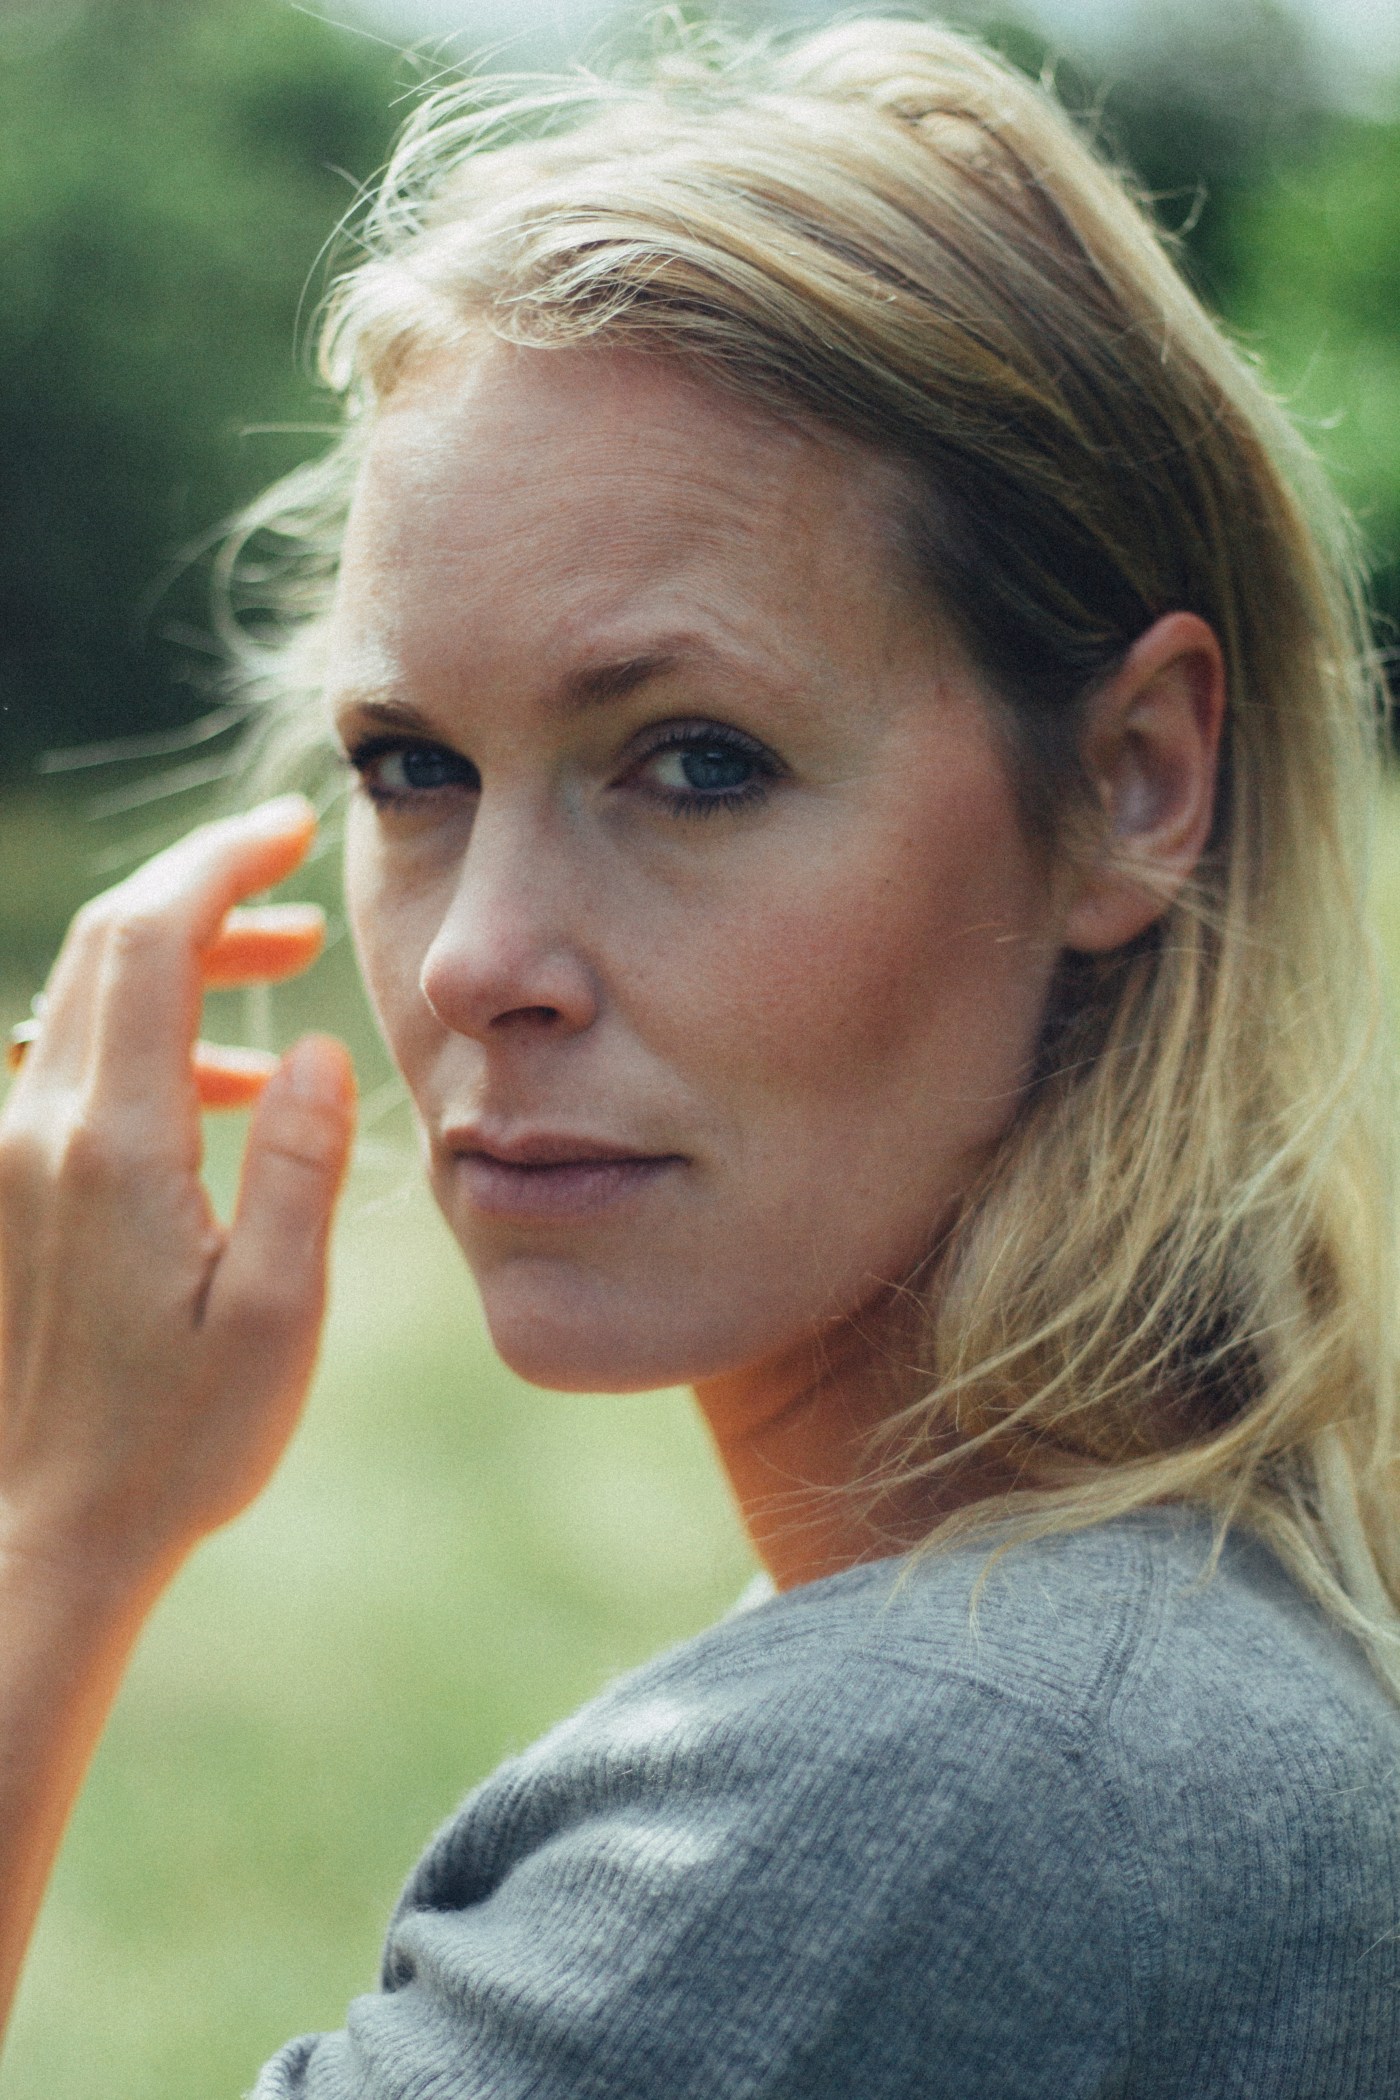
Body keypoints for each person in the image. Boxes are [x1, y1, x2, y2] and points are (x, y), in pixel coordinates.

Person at [3, 16, 1400, 2095]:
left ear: (1131, 782)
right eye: (411, 768)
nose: (476, 961)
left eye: (697, 763)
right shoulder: (1154, 1665)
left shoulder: (951, 1785)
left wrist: (47, 1533)